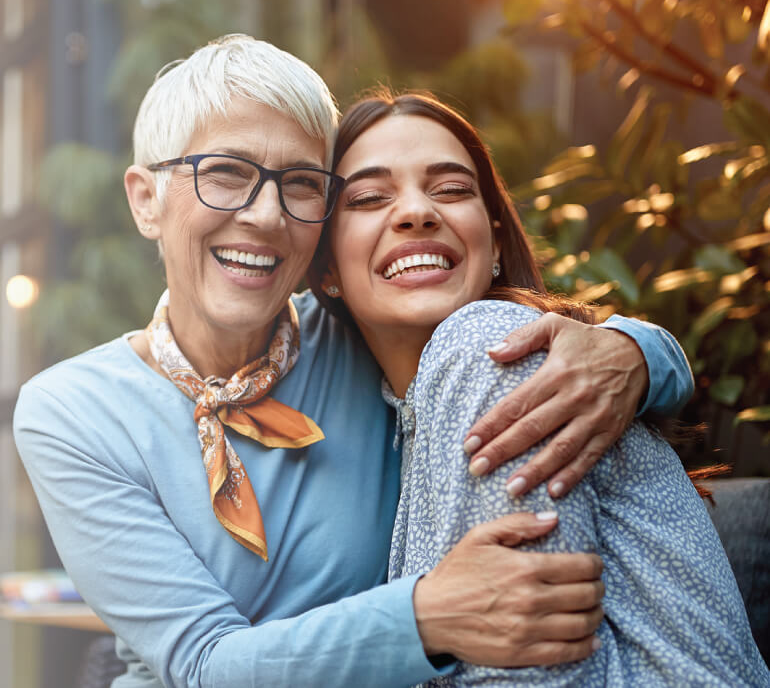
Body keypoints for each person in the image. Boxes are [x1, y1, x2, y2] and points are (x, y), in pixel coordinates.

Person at [14, 35, 693, 687]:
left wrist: (637, 351)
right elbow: (199, 665)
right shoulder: (72, 412)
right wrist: (427, 615)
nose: (264, 214)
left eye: (302, 184)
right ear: (145, 198)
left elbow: (499, 332)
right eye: (225, 173)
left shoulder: (363, 338)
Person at [309, 90, 769, 685]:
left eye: (451, 189)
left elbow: (530, 672)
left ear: (496, 241)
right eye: (370, 198)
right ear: (325, 270)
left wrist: (647, 351)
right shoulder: (391, 408)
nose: (416, 212)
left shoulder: (485, 346)